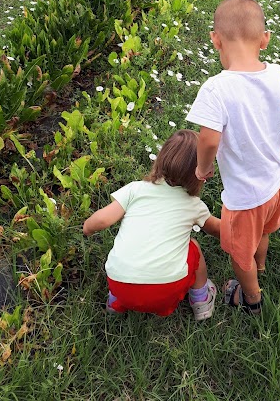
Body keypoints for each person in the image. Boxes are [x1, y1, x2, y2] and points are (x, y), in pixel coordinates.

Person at [186, 0, 280, 315]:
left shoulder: (215, 89)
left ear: (216, 40)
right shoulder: (278, 74)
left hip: (244, 199)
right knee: (264, 231)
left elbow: (208, 140)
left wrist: (202, 167)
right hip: (275, 184)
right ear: (264, 40)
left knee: (240, 255)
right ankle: (261, 265)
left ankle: (250, 297)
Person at [82, 129, 220, 320]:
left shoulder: (135, 189)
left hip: (119, 284)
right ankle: (201, 299)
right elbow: (217, 230)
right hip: (165, 290)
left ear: (161, 159)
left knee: (125, 245)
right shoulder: (193, 205)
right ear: (199, 174)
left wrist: (87, 228)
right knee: (193, 247)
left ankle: (115, 303)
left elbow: (102, 220)